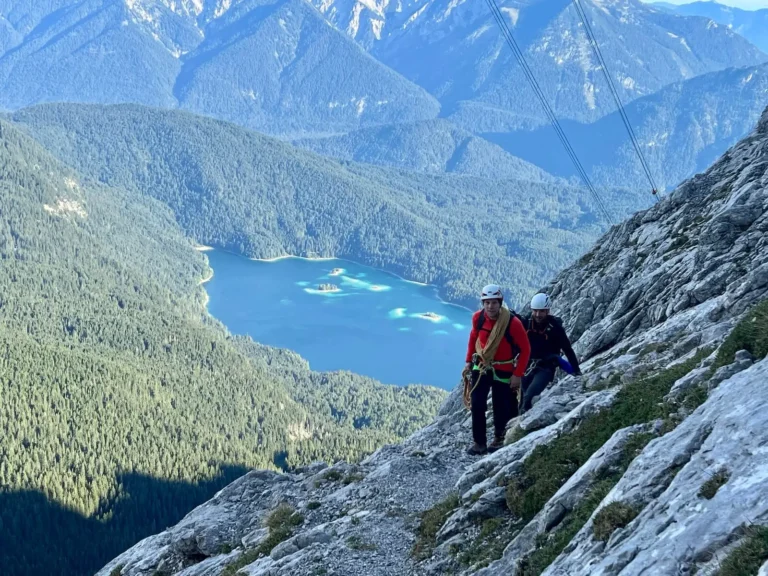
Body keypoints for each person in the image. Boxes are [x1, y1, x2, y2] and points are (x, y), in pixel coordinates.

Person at [464, 284, 531, 455]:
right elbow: (473, 338)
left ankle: (499, 438)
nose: (490, 306)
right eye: (487, 302)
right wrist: (467, 361)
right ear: (483, 303)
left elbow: (525, 349)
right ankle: (479, 443)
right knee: (477, 404)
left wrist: (518, 375)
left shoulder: (512, 323)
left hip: (504, 368)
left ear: (500, 303)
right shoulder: (477, 318)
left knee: (500, 405)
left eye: (494, 302)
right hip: (482, 365)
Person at [520, 293, 581, 412]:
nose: (538, 315)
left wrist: (576, 370)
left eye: (541, 311)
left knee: (530, 395)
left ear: (547, 311)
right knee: (524, 397)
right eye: (535, 311)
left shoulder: (555, 328)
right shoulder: (526, 322)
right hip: (527, 365)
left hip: (545, 368)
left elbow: (567, 349)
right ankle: (521, 420)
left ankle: (522, 424)